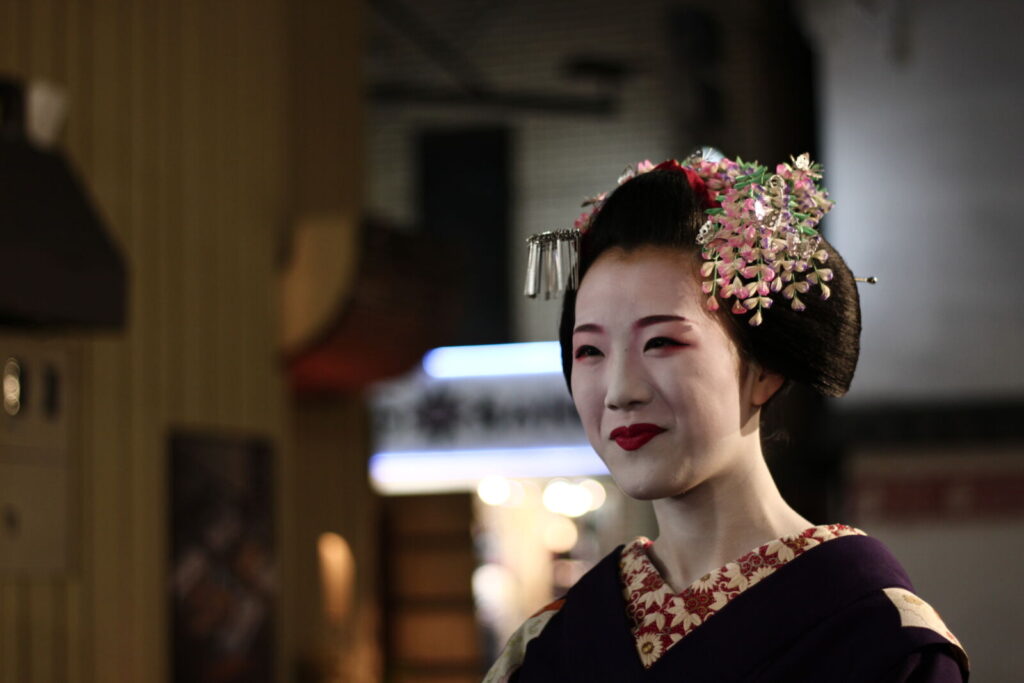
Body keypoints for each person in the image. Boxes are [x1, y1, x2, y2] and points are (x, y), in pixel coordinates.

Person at [485, 153, 969, 682]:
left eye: (662, 341)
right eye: (589, 352)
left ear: (764, 367)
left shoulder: (874, 633)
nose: (620, 392)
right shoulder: (550, 646)